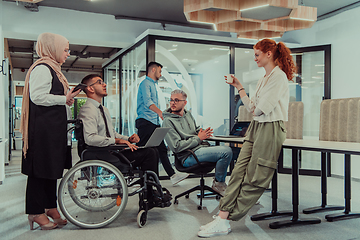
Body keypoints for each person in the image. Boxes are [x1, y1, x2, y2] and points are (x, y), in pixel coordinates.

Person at [197, 39, 295, 238]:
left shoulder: (279, 77)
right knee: (239, 171)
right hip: (257, 127)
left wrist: (254, 109)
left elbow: (258, 109)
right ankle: (222, 217)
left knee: (255, 176)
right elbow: (251, 109)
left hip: (271, 127)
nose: (255, 58)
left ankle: (226, 218)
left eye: (257, 54)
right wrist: (239, 86)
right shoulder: (262, 79)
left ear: (269, 54)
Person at [78, 74, 170, 209]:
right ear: (90, 89)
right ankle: (150, 196)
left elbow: (111, 133)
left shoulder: (103, 109)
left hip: (111, 150)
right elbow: (90, 138)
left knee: (152, 150)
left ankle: (151, 193)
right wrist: (117, 140)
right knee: (149, 153)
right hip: (102, 154)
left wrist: (128, 139)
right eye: (100, 82)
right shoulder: (88, 109)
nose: (104, 84)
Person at [20, 32, 80, 230]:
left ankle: (50, 206)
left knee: (50, 169)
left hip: (52, 130)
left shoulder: (54, 69)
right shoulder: (42, 69)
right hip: (43, 131)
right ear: (52, 49)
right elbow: (37, 97)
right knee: (39, 171)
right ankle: (35, 212)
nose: (68, 54)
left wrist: (66, 98)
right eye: (65, 49)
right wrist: (64, 98)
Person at [162, 89, 233, 195]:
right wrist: (199, 138)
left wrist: (203, 132)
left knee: (232, 151)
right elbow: (176, 147)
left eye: (176, 100)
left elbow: (194, 130)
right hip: (187, 156)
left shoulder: (188, 115)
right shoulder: (167, 121)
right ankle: (219, 184)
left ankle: (222, 183)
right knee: (226, 152)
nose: (172, 103)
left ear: (185, 102)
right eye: (171, 100)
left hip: (198, 149)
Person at [136, 62, 189, 185]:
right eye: (160, 71)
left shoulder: (153, 85)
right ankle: (145, 181)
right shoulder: (145, 83)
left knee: (161, 149)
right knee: (145, 153)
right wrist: (161, 113)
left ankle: (171, 175)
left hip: (153, 122)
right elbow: (148, 102)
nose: (160, 74)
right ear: (153, 70)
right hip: (145, 122)